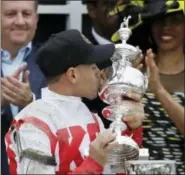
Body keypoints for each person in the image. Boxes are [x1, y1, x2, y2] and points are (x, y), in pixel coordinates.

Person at [5, 29, 144, 174]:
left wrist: (131, 131)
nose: (99, 72)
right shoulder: (33, 123)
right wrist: (93, 163)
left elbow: (117, 170)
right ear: (72, 75)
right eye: (93, 67)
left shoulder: (91, 117)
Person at [137, 0, 184, 174]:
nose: (166, 27)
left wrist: (158, 91)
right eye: (160, 20)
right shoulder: (135, 70)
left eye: (176, 21)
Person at [83, 0, 145, 128]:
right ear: (91, 9)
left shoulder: (141, 47)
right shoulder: (81, 52)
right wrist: (122, 78)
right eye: (110, 4)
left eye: (123, 4)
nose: (118, 9)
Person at [1, 1, 46, 174]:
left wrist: (30, 102)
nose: (20, 21)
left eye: (26, 14)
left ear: (36, 18)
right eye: (11, 14)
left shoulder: (53, 61)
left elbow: (65, 118)